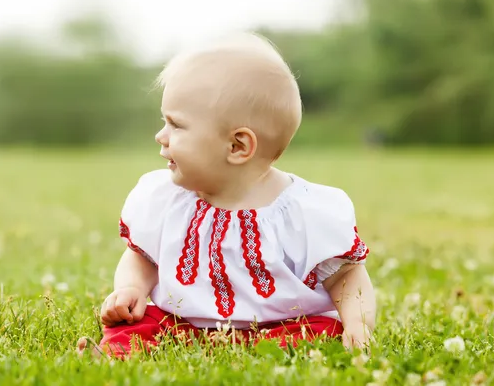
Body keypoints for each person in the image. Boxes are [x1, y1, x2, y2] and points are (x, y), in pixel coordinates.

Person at [76, 33, 376, 359]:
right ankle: (115, 352)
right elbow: (142, 257)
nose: (160, 136)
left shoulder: (302, 212)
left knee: (320, 330)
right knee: (142, 323)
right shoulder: (166, 199)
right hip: (182, 324)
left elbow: (345, 276)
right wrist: (132, 288)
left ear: (237, 146)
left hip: (277, 327)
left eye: (176, 125)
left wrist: (357, 322)